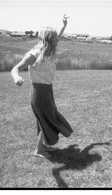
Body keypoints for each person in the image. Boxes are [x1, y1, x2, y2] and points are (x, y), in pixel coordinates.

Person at [11, 14, 73, 159]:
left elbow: (60, 36)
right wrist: (16, 78)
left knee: (44, 118)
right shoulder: (34, 54)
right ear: (49, 39)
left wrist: (64, 25)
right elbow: (15, 68)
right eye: (54, 38)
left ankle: (42, 146)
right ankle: (39, 150)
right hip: (39, 92)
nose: (56, 40)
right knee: (46, 119)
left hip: (47, 90)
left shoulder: (48, 52)